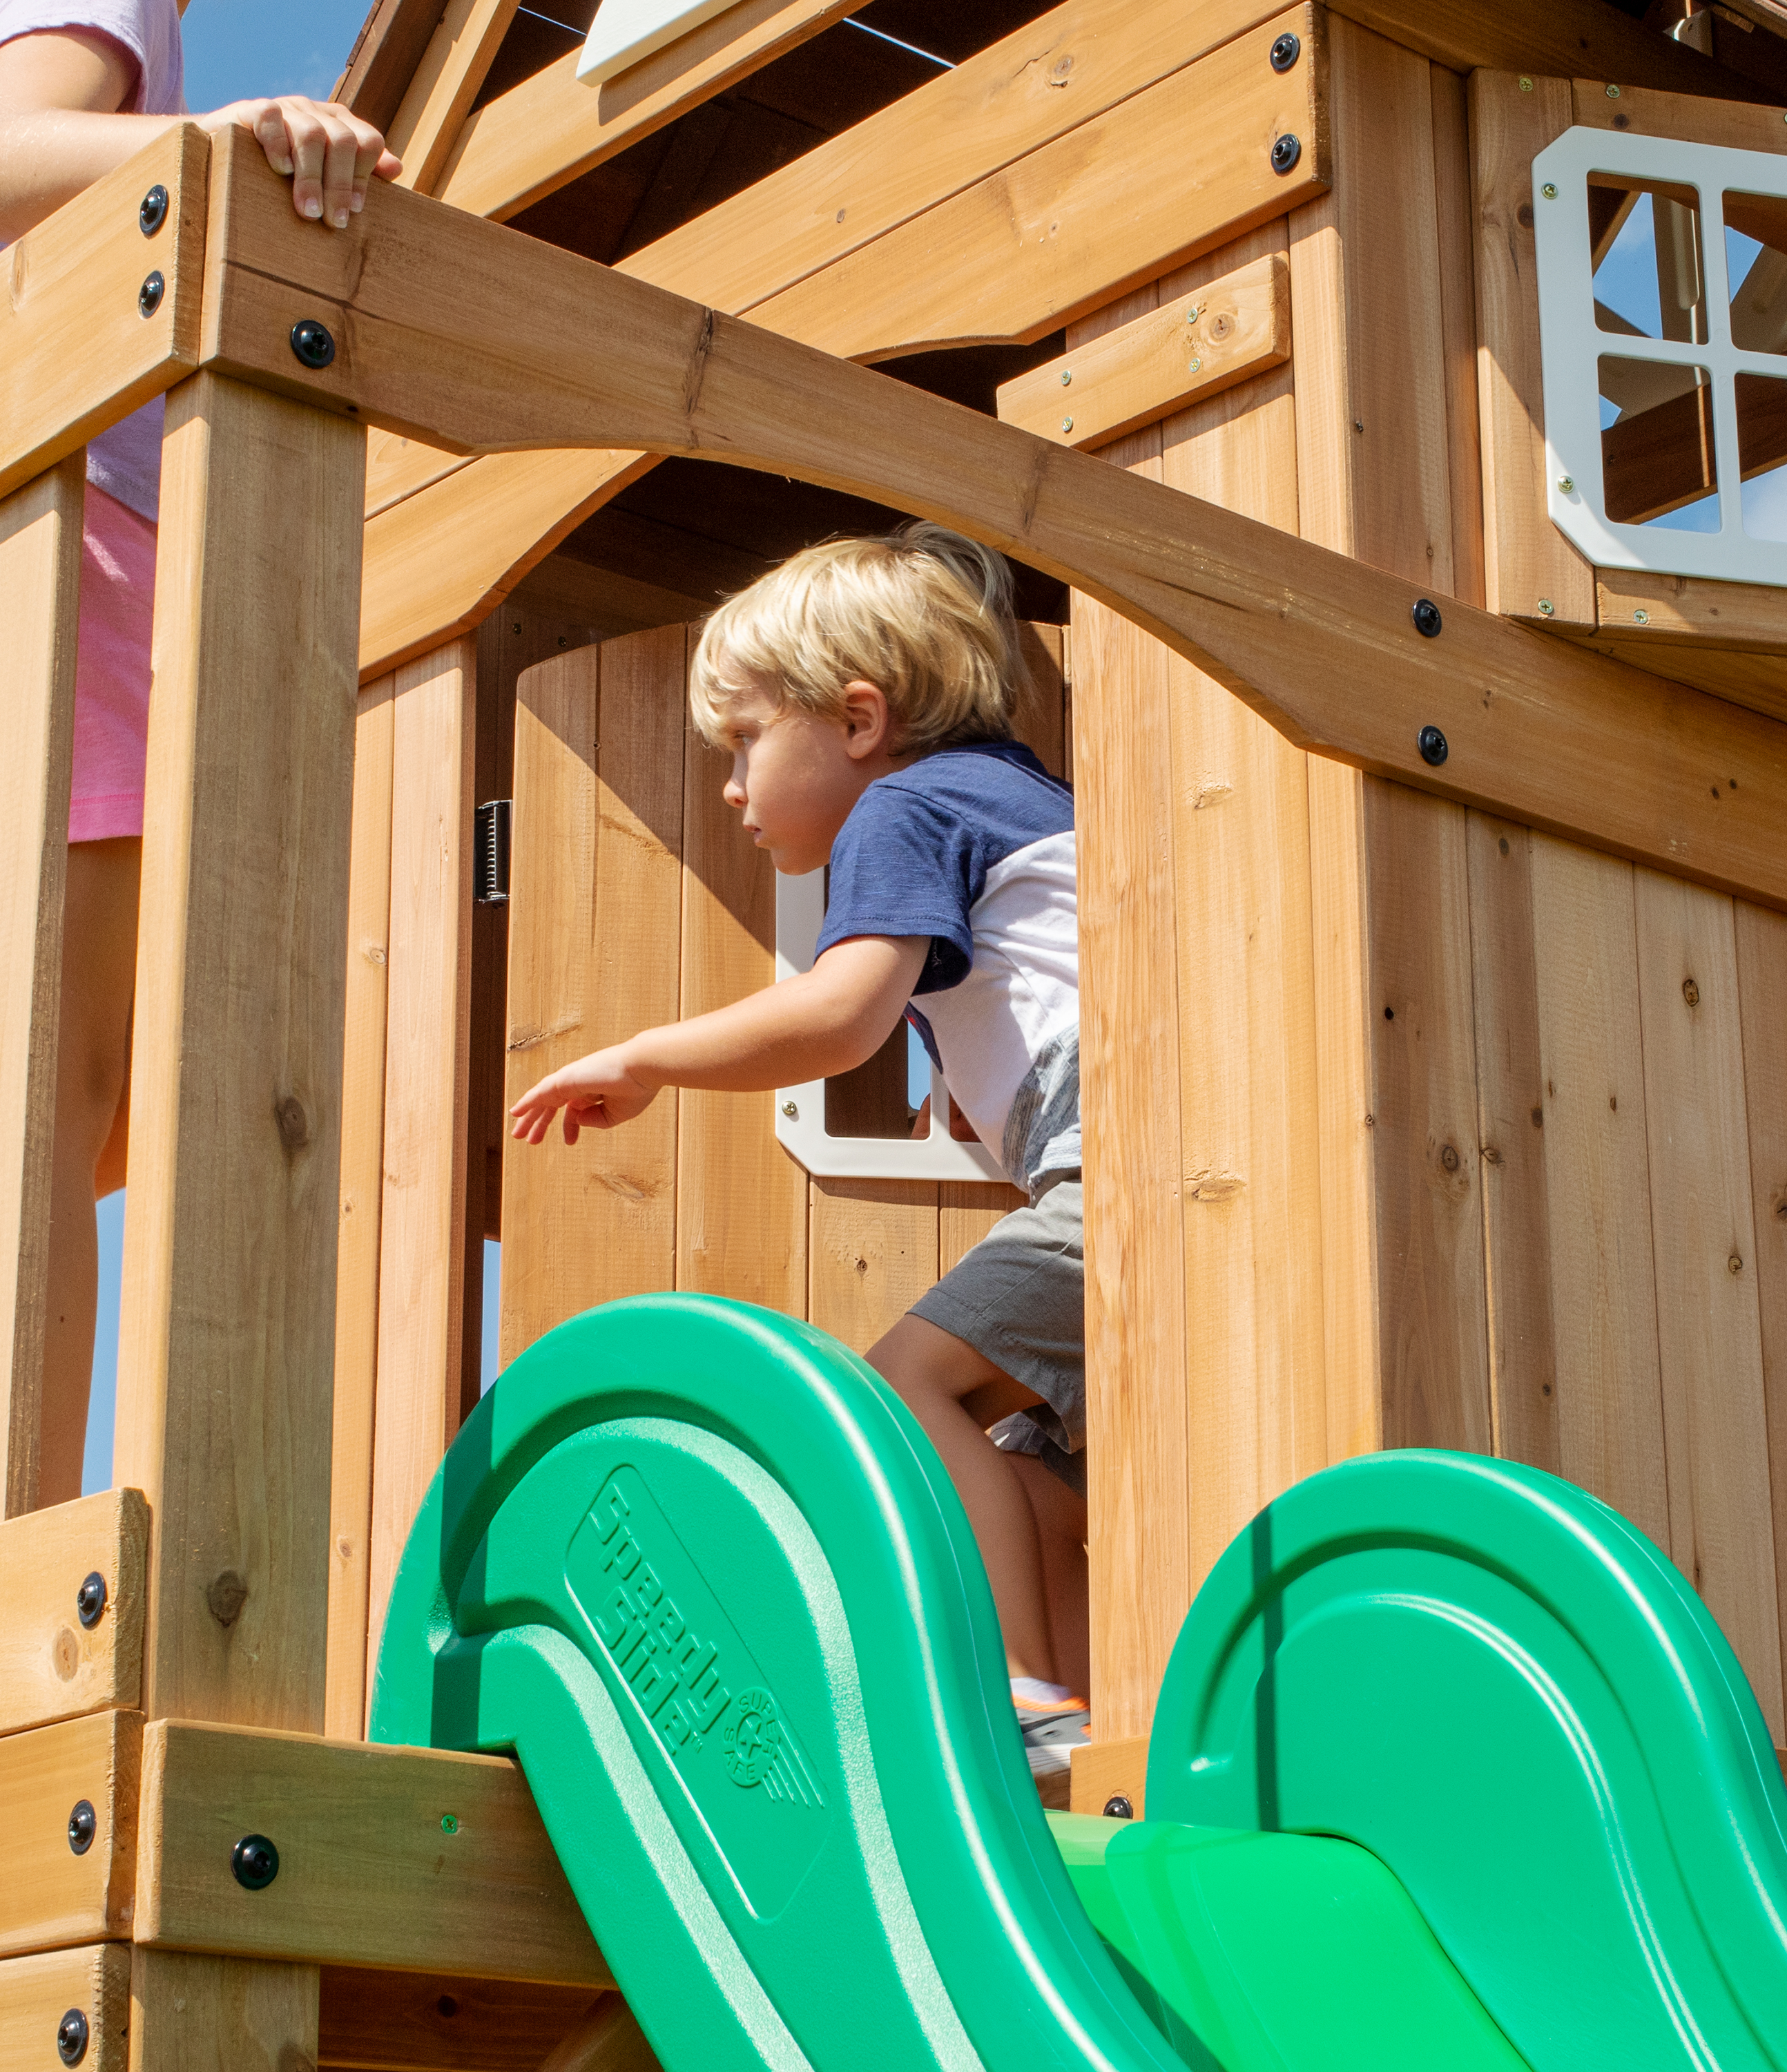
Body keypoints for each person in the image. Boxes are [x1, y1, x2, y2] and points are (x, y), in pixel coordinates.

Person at [508, 526, 1091, 1785]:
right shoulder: (1018, 798)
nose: (732, 788)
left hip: (1101, 1171)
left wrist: (648, 1059)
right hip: (1131, 1158)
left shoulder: (904, 806)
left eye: (743, 742)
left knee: (904, 1392)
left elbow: (838, 1019)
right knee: (1034, 1482)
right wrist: (966, 1103)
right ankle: (1086, 1721)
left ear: (861, 720)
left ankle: (1025, 1700)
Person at [0, 3, 398, 1504]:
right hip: (78, 536)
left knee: (72, 1101)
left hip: (66, 521)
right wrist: (211, 139)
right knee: (62, 1086)